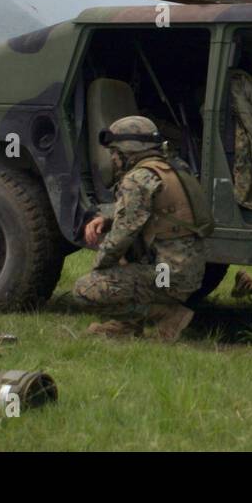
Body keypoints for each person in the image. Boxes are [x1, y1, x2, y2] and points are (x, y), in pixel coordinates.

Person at [73, 116, 212, 340]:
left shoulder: (138, 179)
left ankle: (168, 314)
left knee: (86, 290)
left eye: (114, 152)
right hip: (187, 272)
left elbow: (120, 238)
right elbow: (154, 212)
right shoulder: (174, 168)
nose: (113, 159)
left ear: (126, 151)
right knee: (126, 261)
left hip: (168, 277)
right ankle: (125, 326)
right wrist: (107, 218)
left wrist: (99, 270)